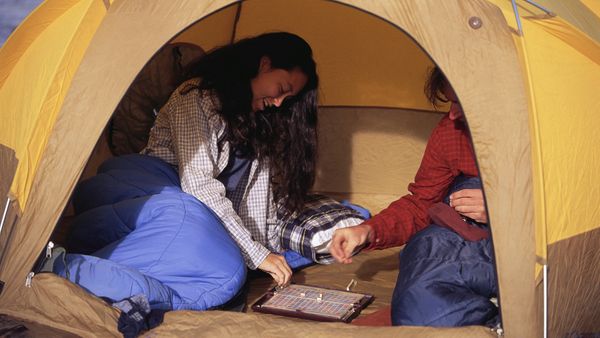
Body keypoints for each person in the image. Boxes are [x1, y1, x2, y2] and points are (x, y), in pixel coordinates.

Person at [50, 32, 361, 314]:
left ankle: (98, 277)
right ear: (264, 64)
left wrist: (265, 249)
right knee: (217, 258)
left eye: (287, 99)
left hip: (192, 208)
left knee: (223, 269)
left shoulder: (260, 122)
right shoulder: (196, 97)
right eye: (281, 89)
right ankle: (61, 268)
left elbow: (253, 203)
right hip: (147, 189)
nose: (278, 102)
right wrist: (255, 253)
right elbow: (197, 183)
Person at [330, 67, 498, 326]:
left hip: (526, 243)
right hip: (460, 233)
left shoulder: (541, 137)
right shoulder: (450, 133)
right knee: (419, 286)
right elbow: (422, 203)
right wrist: (368, 230)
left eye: (459, 102)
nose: (452, 114)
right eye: (449, 102)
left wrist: (501, 208)